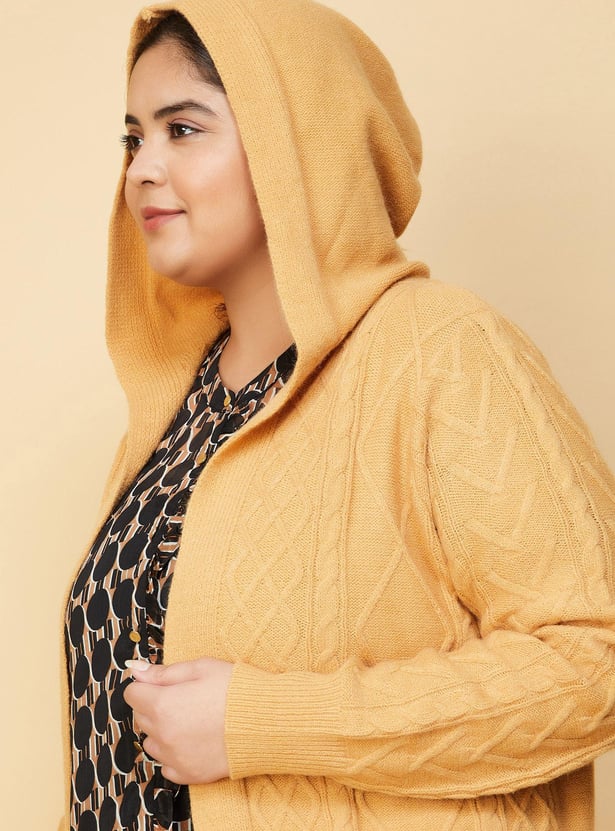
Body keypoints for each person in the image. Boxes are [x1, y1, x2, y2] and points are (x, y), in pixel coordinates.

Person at [60, 1, 615, 829]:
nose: (140, 168)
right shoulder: (176, 411)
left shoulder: (439, 349)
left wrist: (262, 720)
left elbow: (595, 657)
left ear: (296, 145)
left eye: (183, 129)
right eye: (132, 137)